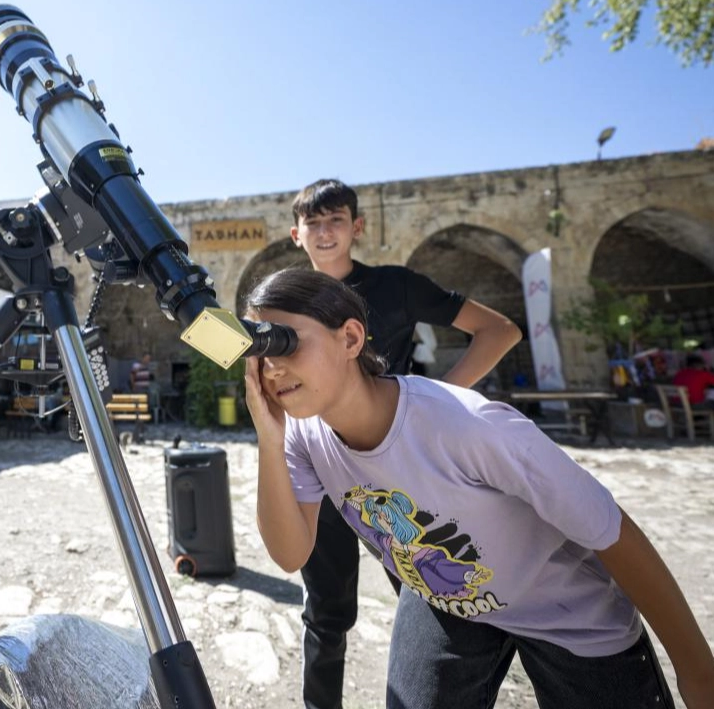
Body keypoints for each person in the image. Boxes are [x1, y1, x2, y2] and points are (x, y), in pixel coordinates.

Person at [243, 268, 714, 708]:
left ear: (350, 337)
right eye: (260, 355)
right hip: (446, 601)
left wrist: (697, 669)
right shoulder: (303, 436)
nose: (273, 368)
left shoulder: (467, 425)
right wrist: (269, 437)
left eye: (285, 343)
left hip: (566, 611)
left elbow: (613, 530)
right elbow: (290, 553)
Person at [288, 179, 522, 709]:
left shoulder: (396, 286)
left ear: (357, 227)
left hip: (393, 469)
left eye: (336, 220)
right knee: (326, 612)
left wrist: (432, 402)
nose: (325, 232)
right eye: (314, 223)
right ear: (295, 232)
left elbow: (499, 330)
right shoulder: (288, 301)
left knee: (429, 596)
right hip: (320, 465)